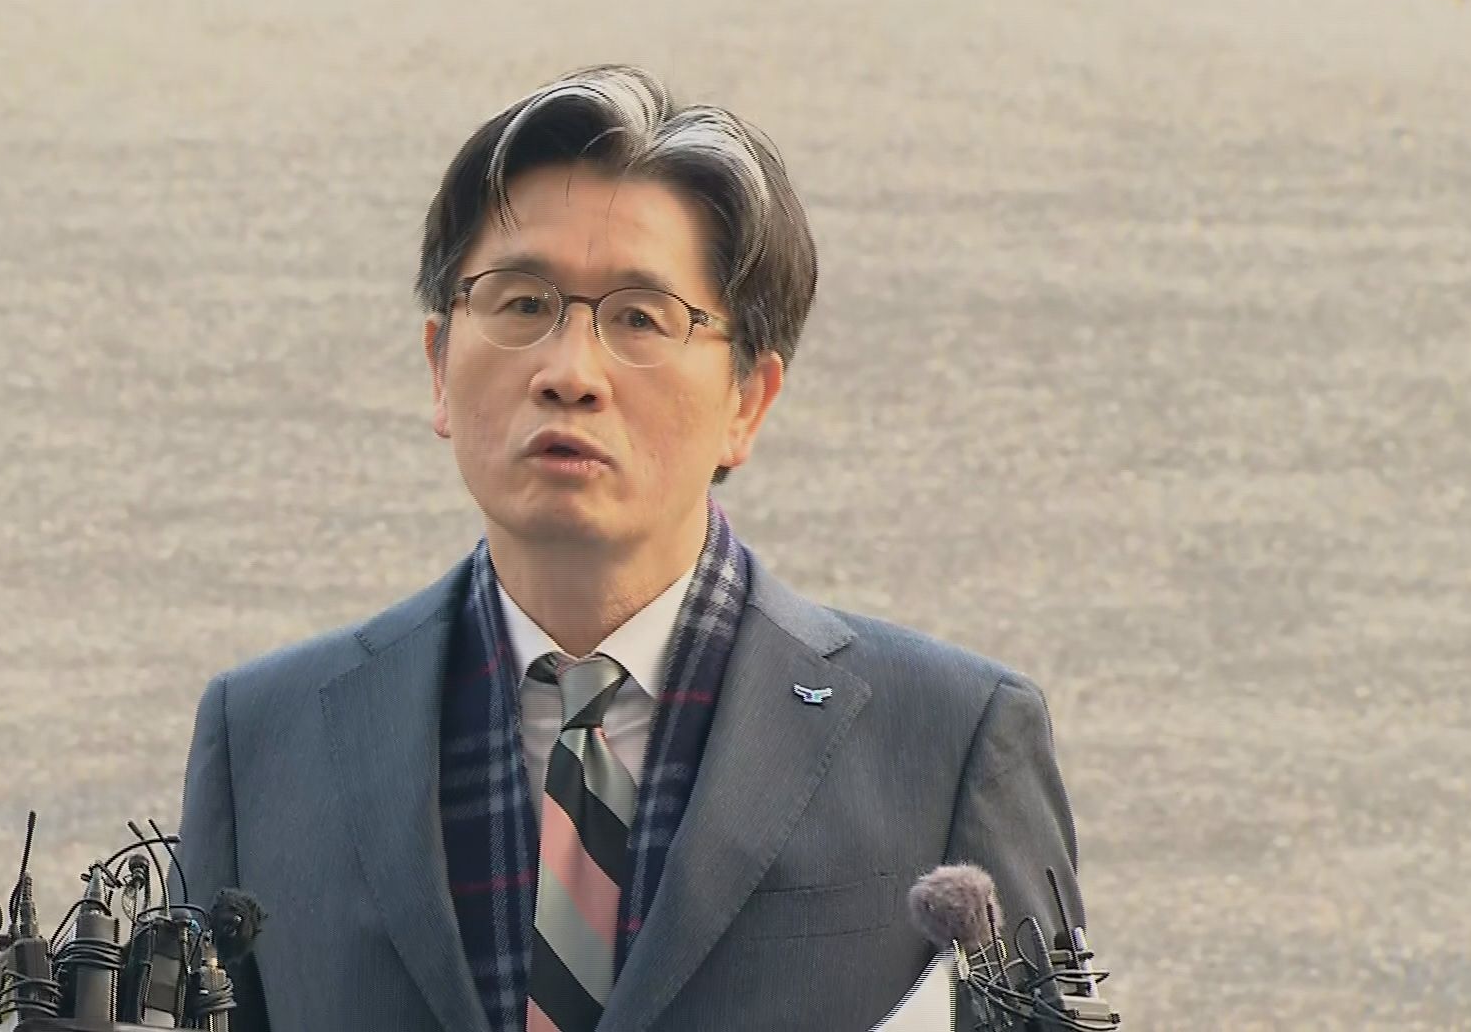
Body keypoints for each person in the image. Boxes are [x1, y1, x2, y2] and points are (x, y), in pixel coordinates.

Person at [174, 64, 1085, 1032]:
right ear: (439, 365)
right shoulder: (266, 741)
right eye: (522, 305)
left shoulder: (948, 741)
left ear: (747, 402)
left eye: (641, 318)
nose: (570, 372)